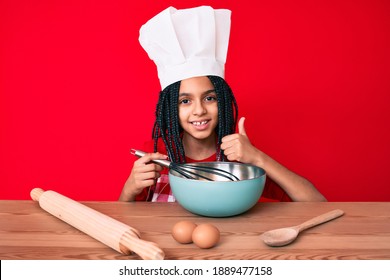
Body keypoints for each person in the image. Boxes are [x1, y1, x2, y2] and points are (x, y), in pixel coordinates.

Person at [119, 6, 326, 203]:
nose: (199, 110)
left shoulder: (239, 157)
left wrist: (258, 158)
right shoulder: (156, 153)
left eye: (209, 98)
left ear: (223, 101)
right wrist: (129, 188)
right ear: (170, 108)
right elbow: (122, 219)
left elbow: (317, 203)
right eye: (185, 101)